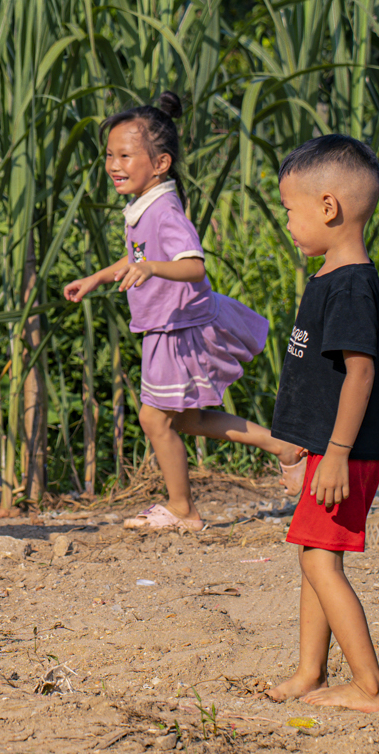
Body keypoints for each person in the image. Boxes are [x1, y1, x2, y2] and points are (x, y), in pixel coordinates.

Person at [64, 93, 302, 531]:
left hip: (178, 329)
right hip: (165, 327)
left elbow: (194, 267)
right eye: (110, 155)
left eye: (125, 155)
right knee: (186, 419)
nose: (114, 165)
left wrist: (152, 267)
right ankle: (283, 446)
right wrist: (98, 277)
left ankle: (182, 509)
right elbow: (135, 255)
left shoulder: (166, 210)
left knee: (155, 418)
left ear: (160, 163)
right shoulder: (143, 206)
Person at [261, 133, 379, 712]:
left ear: (328, 207)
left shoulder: (350, 286)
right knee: (315, 555)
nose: (288, 223)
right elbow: (320, 379)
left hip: (349, 451)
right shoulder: (328, 278)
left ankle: (370, 688)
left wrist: (336, 453)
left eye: (290, 210)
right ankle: (309, 672)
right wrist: (303, 450)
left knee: (319, 559)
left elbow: (360, 375)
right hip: (328, 450)